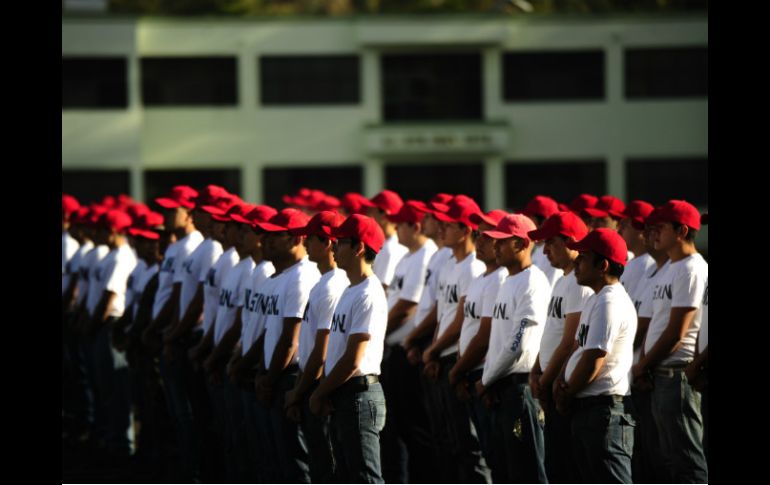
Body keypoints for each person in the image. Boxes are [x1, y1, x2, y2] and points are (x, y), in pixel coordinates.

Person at [632, 200, 708, 483]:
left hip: (676, 374)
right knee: (664, 459)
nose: (653, 233)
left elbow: (677, 332)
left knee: (685, 461)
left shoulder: (691, 268)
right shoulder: (667, 269)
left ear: (682, 231)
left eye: (661, 227)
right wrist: (644, 365)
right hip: (659, 374)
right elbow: (651, 323)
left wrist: (643, 365)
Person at [309, 214, 388, 483]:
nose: (333, 247)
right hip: (345, 394)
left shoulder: (368, 293)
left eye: (341, 242)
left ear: (359, 248)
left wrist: (320, 391)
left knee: (365, 477)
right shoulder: (350, 289)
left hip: (359, 396)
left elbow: (353, 359)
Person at [554, 228, 637, 483]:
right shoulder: (596, 298)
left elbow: (593, 359)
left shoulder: (609, 301)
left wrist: (566, 393)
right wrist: (561, 381)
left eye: (583, 257)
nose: (576, 262)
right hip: (589, 410)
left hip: (603, 413)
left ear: (602, 265)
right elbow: (579, 349)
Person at [477, 213, 551, 483]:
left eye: (502, 242)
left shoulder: (533, 282)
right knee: (506, 470)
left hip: (520, 390)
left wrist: (485, 380)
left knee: (527, 471)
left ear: (522, 244)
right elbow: (499, 341)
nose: (494, 247)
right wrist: (490, 382)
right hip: (502, 387)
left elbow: (518, 345)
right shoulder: (509, 280)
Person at [527, 211, 593, 483]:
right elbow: (550, 333)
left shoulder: (579, 285)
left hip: (562, 384)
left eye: (550, 243)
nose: (544, 252)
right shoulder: (564, 280)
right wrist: (536, 369)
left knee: (566, 468)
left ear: (569, 241)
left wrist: (544, 378)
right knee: (555, 465)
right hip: (549, 379)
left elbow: (569, 342)